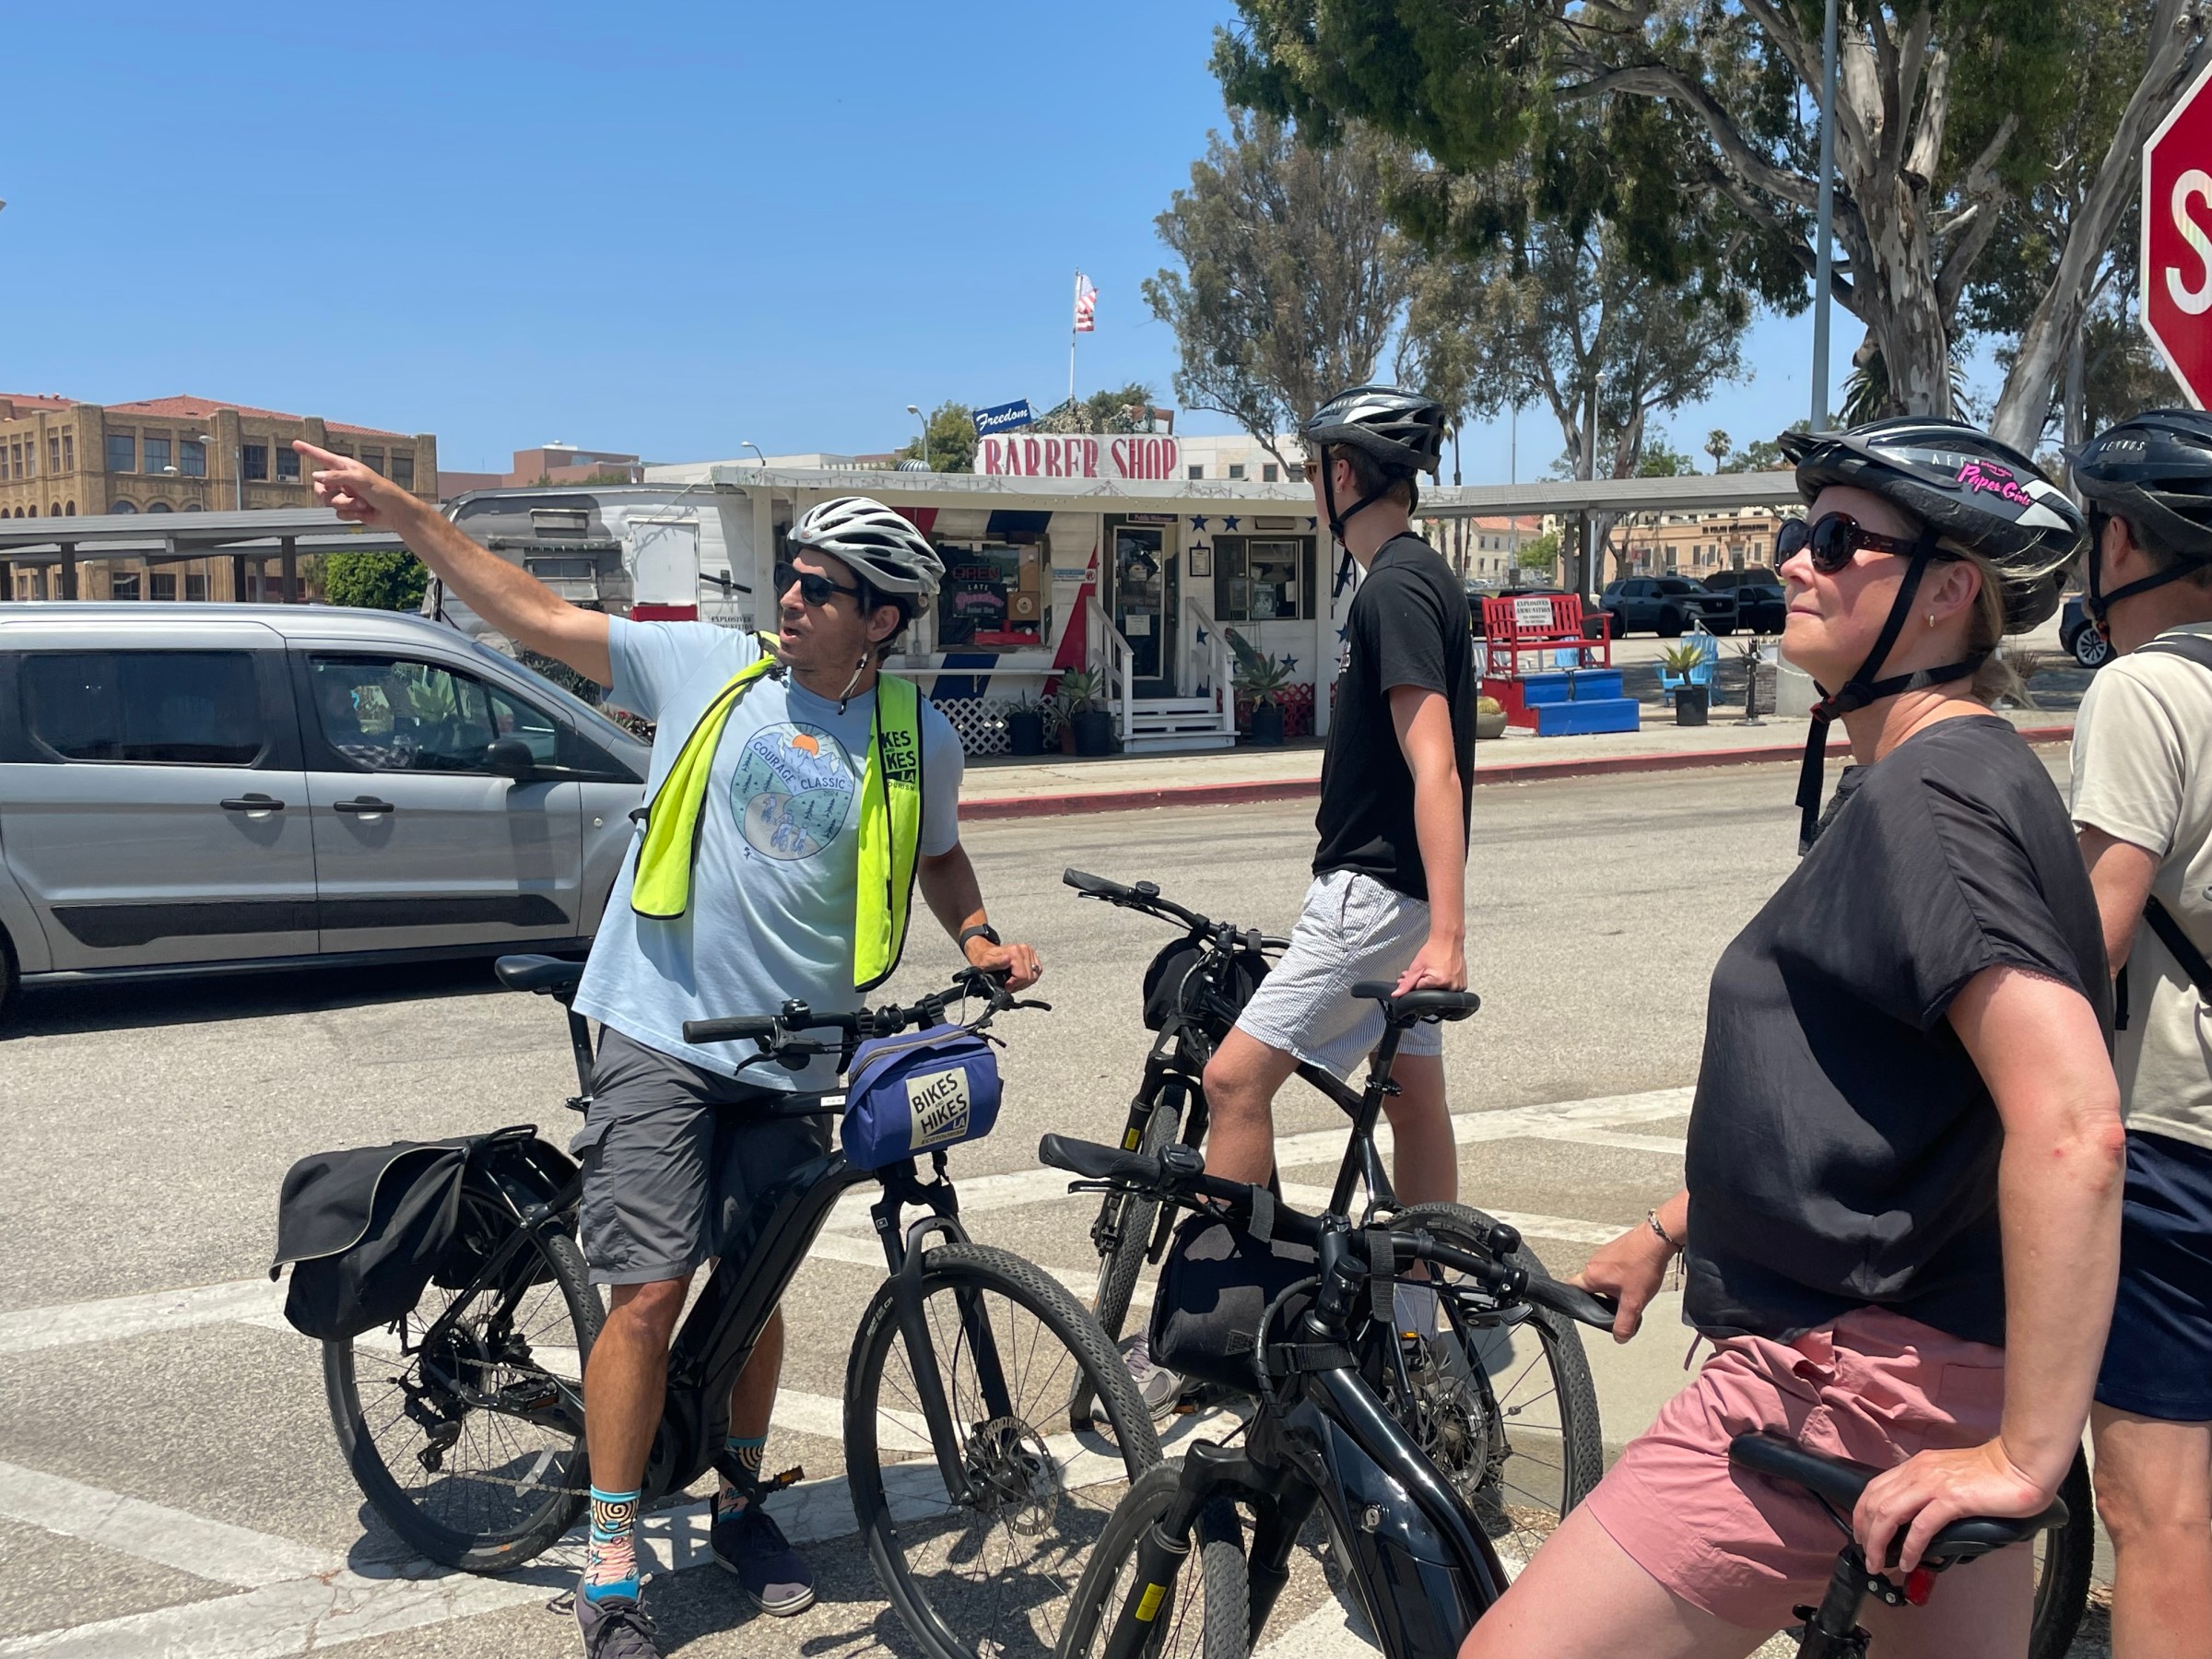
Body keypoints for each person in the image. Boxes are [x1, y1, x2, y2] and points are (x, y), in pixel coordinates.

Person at [295, 443, 1041, 1659]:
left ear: (881, 619)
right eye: (791, 574)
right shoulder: (711, 668)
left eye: (822, 585)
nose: (791, 598)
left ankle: (742, 1504)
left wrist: (982, 933)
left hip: (796, 1051)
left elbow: (939, 852)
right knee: (652, 1291)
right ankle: (609, 1560)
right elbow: (531, 612)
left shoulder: (918, 738)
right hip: (660, 1026)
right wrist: (411, 518)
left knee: (754, 1292)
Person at [1463, 418, 2124, 1659]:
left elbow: (2074, 1124)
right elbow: (1864, 1094)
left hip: (1838, 1391)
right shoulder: (1955, 776)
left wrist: (2033, 1458)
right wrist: (1669, 1229)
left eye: (1837, 539)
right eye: (1793, 531)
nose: (1794, 563)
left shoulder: (1934, 797)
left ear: (1945, 593)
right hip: (1928, 1376)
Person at [1121, 385, 1474, 1417]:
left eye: (1317, 465)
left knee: (1233, 1084)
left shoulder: (1393, 590)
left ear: (1346, 475)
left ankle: (1229, 1342)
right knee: (1415, 1103)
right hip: (1402, 897)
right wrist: (1440, 918)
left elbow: (1436, 764)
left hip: (1374, 894)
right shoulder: (1421, 578)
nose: (1311, 481)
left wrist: (1449, 930)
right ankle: (1414, 1336)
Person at [2065, 409, 2212, 1659]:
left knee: (2156, 1512)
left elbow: (2089, 934)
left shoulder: (2145, 689)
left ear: (2123, 538)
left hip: (2177, 1145)